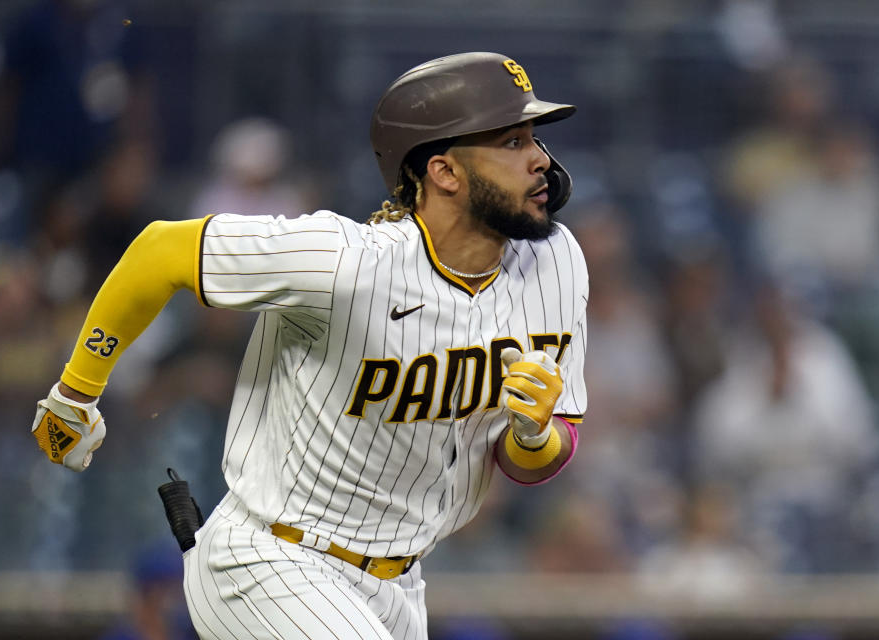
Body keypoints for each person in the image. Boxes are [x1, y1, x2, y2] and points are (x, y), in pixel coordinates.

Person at [30, 52, 588, 640]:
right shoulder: (346, 261)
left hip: (399, 585)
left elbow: (536, 460)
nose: (540, 161)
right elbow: (159, 252)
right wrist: (76, 392)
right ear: (445, 172)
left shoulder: (557, 264)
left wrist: (534, 434)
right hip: (271, 559)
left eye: (534, 139)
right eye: (512, 141)